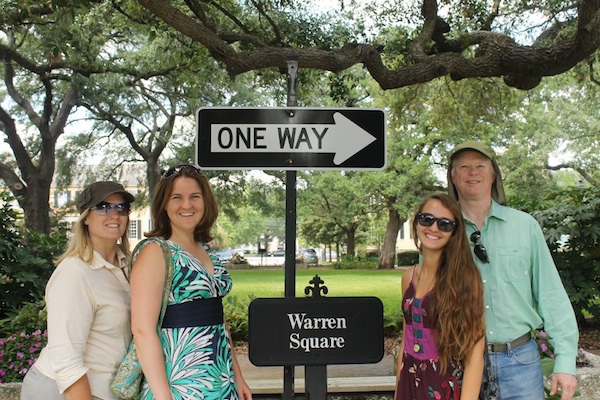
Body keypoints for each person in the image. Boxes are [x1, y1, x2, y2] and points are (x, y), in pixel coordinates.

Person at [447, 140, 579, 400]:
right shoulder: (441, 229)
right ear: (453, 177)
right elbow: (423, 297)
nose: (473, 172)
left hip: (519, 363)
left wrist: (565, 360)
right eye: (464, 166)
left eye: (480, 166)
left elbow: (550, 294)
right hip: (459, 361)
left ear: (493, 174)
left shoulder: (525, 226)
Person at [130, 163, 252, 399]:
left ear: (205, 202)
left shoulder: (206, 249)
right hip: (180, 383)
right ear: (164, 204)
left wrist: (237, 377)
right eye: (177, 197)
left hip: (220, 378)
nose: (187, 205)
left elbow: (220, 321)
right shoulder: (155, 252)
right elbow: (142, 330)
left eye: (195, 196)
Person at [21, 181, 136, 400]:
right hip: (64, 391)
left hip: (103, 391)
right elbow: (67, 360)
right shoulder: (75, 273)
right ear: (86, 219)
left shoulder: (126, 267)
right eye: (103, 207)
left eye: (121, 207)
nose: (115, 214)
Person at [395, 193, 486, 400]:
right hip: (408, 383)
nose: (433, 228)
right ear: (417, 221)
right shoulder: (408, 277)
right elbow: (405, 339)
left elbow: (474, 353)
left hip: (442, 385)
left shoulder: (464, 280)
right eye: (427, 219)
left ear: (454, 232)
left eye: (444, 224)